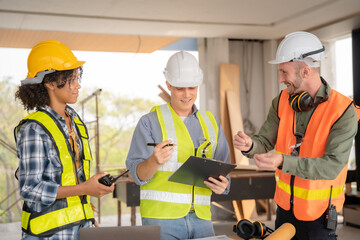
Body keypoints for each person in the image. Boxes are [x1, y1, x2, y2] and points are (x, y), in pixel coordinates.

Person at [234, 31, 359, 240]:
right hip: (284, 210)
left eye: (284, 72)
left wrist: (283, 160)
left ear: (305, 71)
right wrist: (249, 145)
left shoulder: (344, 111)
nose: (280, 79)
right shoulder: (282, 101)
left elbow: (332, 166)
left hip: (319, 215)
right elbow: (264, 141)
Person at [14, 40, 114, 239]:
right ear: (50, 82)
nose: (78, 85)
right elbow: (30, 189)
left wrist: (84, 209)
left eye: (77, 78)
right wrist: (85, 188)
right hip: (48, 234)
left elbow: (71, 177)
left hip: (79, 227)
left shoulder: (75, 121)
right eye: (72, 79)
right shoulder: (35, 129)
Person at [126, 51, 231, 240]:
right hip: (161, 218)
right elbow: (138, 175)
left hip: (202, 217)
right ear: (168, 85)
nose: (187, 94)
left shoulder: (211, 123)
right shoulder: (150, 122)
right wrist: (153, 161)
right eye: (180, 88)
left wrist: (223, 185)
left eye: (192, 88)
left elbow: (224, 171)